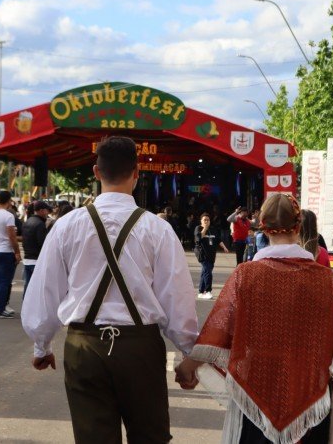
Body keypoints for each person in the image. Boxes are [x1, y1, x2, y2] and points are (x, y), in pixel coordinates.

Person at [22, 136, 198, 443]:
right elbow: (176, 299)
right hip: (140, 348)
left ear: (96, 172)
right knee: (150, 437)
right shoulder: (157, 229)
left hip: (85, 346)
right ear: (136, 173)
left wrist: (42, 345)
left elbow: (46, 292)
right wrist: (188, 356)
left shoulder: (67, 225)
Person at [177, 194, 333, 443]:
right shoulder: (322, 279)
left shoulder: (246, 275)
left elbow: (217, 335)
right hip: (309, 402)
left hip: (256, 400)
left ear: (263, 227)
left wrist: (186, 368)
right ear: (299, 227)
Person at [0, 190, 21, 319]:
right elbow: (11, 235)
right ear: (9, 201)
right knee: (5, 281)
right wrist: (17, 252)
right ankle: (0, 309)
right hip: (5, 251)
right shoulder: (8, 216)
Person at [194, 212, 229, 299]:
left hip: (212, 255)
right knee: (208, 272)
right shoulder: (198, 228)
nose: (206, 221)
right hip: (203, 254)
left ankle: (201, 291)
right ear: (201, 221)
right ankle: (208, 291)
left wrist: (224, 247)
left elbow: (218, 240)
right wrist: (204, 228)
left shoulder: (213, 229)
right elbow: (198, 238)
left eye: (208, 220)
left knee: (204, 272)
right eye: (204, 220)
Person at [21, 201, 50, 298]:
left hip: (27, 259)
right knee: (37, 288)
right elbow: (43, 244)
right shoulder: (40, 224)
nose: (47, 213)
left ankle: (25, 308)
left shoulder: (27, 222)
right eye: (46, 210)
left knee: (28, 285)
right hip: (37, 260)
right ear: (41, 211)